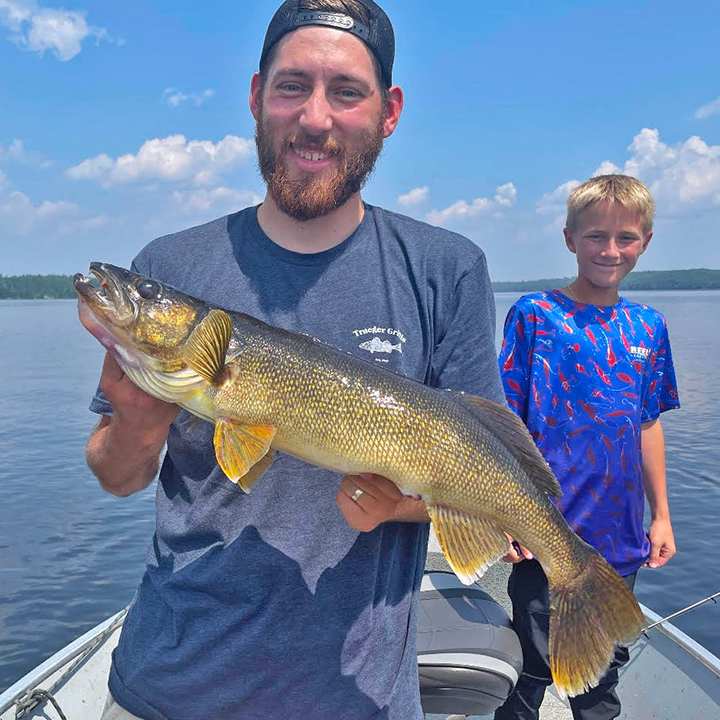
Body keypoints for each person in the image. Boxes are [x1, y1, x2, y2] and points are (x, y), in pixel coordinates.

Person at [85, 2, 506, 719]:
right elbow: (117, 477)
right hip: (167, 686)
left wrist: (399, 504)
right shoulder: (171, 264)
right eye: (291, 87)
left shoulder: (447, 269)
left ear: (389, 110)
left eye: (346, 91)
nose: (315, 118)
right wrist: (135, 422)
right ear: (255, 96)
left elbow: (478, 476)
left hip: (356, 697)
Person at [494, 174, 680, 720]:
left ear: (645, 241)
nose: (610, 249)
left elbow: (647, 425)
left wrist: (662, 515)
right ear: (570, 237)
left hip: (618, 540)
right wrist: (503, 515)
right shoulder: (535, 315)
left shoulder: (649, 326)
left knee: (601, 679)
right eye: (596, 235)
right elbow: (505, 425)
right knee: (528, 670)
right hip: (541, 531)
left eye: (626, 238)